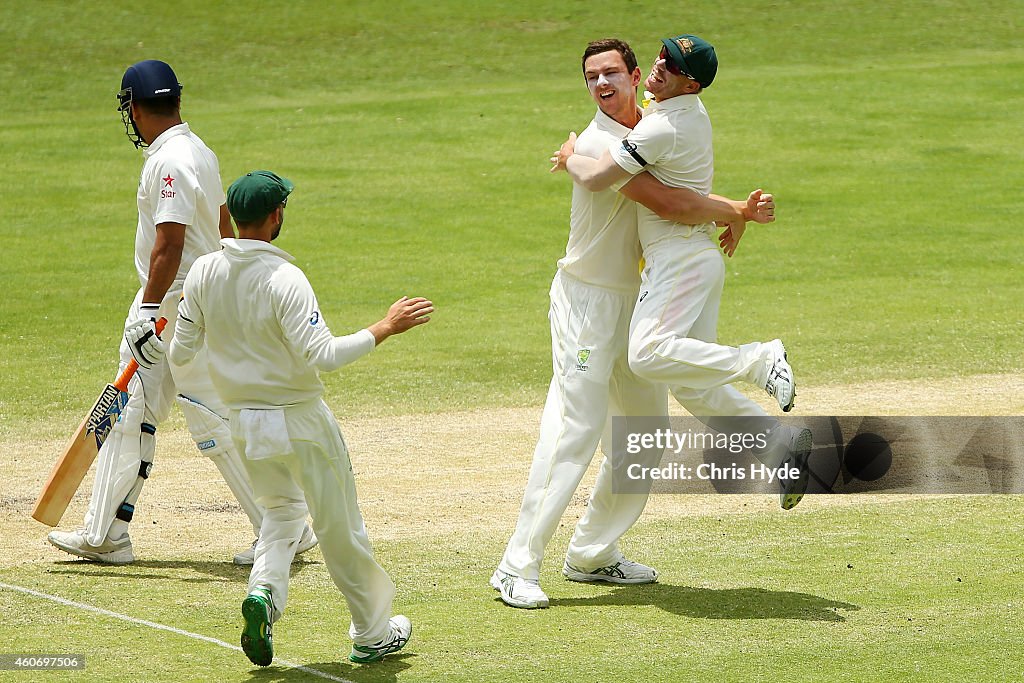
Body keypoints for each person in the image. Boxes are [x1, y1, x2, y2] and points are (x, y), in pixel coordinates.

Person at [491, 38, 778, 610]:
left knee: (644, 438)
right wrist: (737, 211)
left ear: (634, 75)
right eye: (591, 76)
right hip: (588, 303)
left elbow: (681, 195)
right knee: (574, 431)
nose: (601, 84)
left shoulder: (657, 125)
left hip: (640, 303)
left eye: (611, 74)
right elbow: (669, 204)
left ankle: (592, 552)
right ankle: (515, 565)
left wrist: (739, 213)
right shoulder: (601, 142)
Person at [46, 60, 316, 565]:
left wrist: (148, 310)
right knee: (153, 412)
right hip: (198, 298)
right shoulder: (199, 150)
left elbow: (169, 244)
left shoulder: (168, 161)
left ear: (136, 107)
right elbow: (221, 225)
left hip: (171, 304)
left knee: (199, 417)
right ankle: (108, 532)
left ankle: (284, 524)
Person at [168, 170, 431, 665]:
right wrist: (386, 326)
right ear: (274, 217)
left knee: (281, 513)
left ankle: (264, 595)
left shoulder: (203, 272)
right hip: (302, 421)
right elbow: (324, 355)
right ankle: (373, 633)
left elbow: (181, 353)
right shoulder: (285, 278)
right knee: (339, 527)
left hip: (244, 423)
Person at [555, 35, 812, 510]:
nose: (659, 64)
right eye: (661, 54)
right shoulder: (676, 105)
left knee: (648, 356)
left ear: (690, 82)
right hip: (694, 258)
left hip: (679, 259)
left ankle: (761, 359)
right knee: (691, 380)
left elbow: (613, 185)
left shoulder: (660, 128)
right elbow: (685, 187)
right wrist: (738, 213)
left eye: (670, 63)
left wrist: (569, 156)